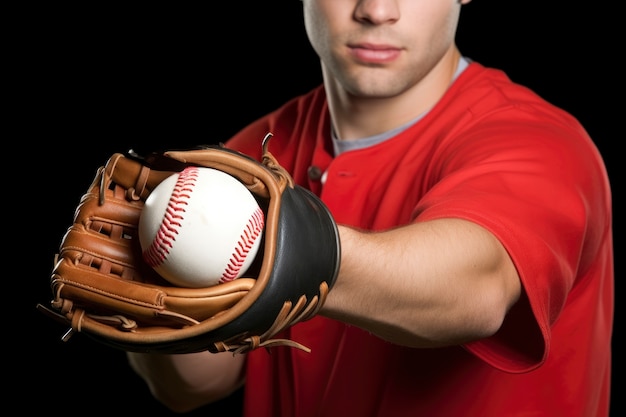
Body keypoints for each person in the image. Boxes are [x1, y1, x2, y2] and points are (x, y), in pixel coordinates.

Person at [127, 1, 614, 416]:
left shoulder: (543, 144)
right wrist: (151, 286)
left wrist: (277, 250)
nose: (377, 10)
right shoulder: (251, 159)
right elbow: (194, 385)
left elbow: (476, 290)